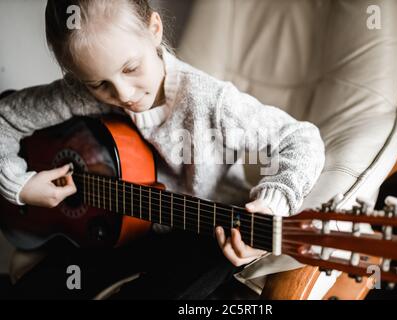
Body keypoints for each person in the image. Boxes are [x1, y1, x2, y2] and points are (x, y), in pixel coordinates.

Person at [0, 0, 325, 299]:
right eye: (99, 84)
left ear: (154, 30)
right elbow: (5, 116)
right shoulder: (80, 93)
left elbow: (300, 140)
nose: (124, 94)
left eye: (130, 69)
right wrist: (20, 184)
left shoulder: (209, 102)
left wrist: (272, 203)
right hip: (118, 227)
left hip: (206, 227)